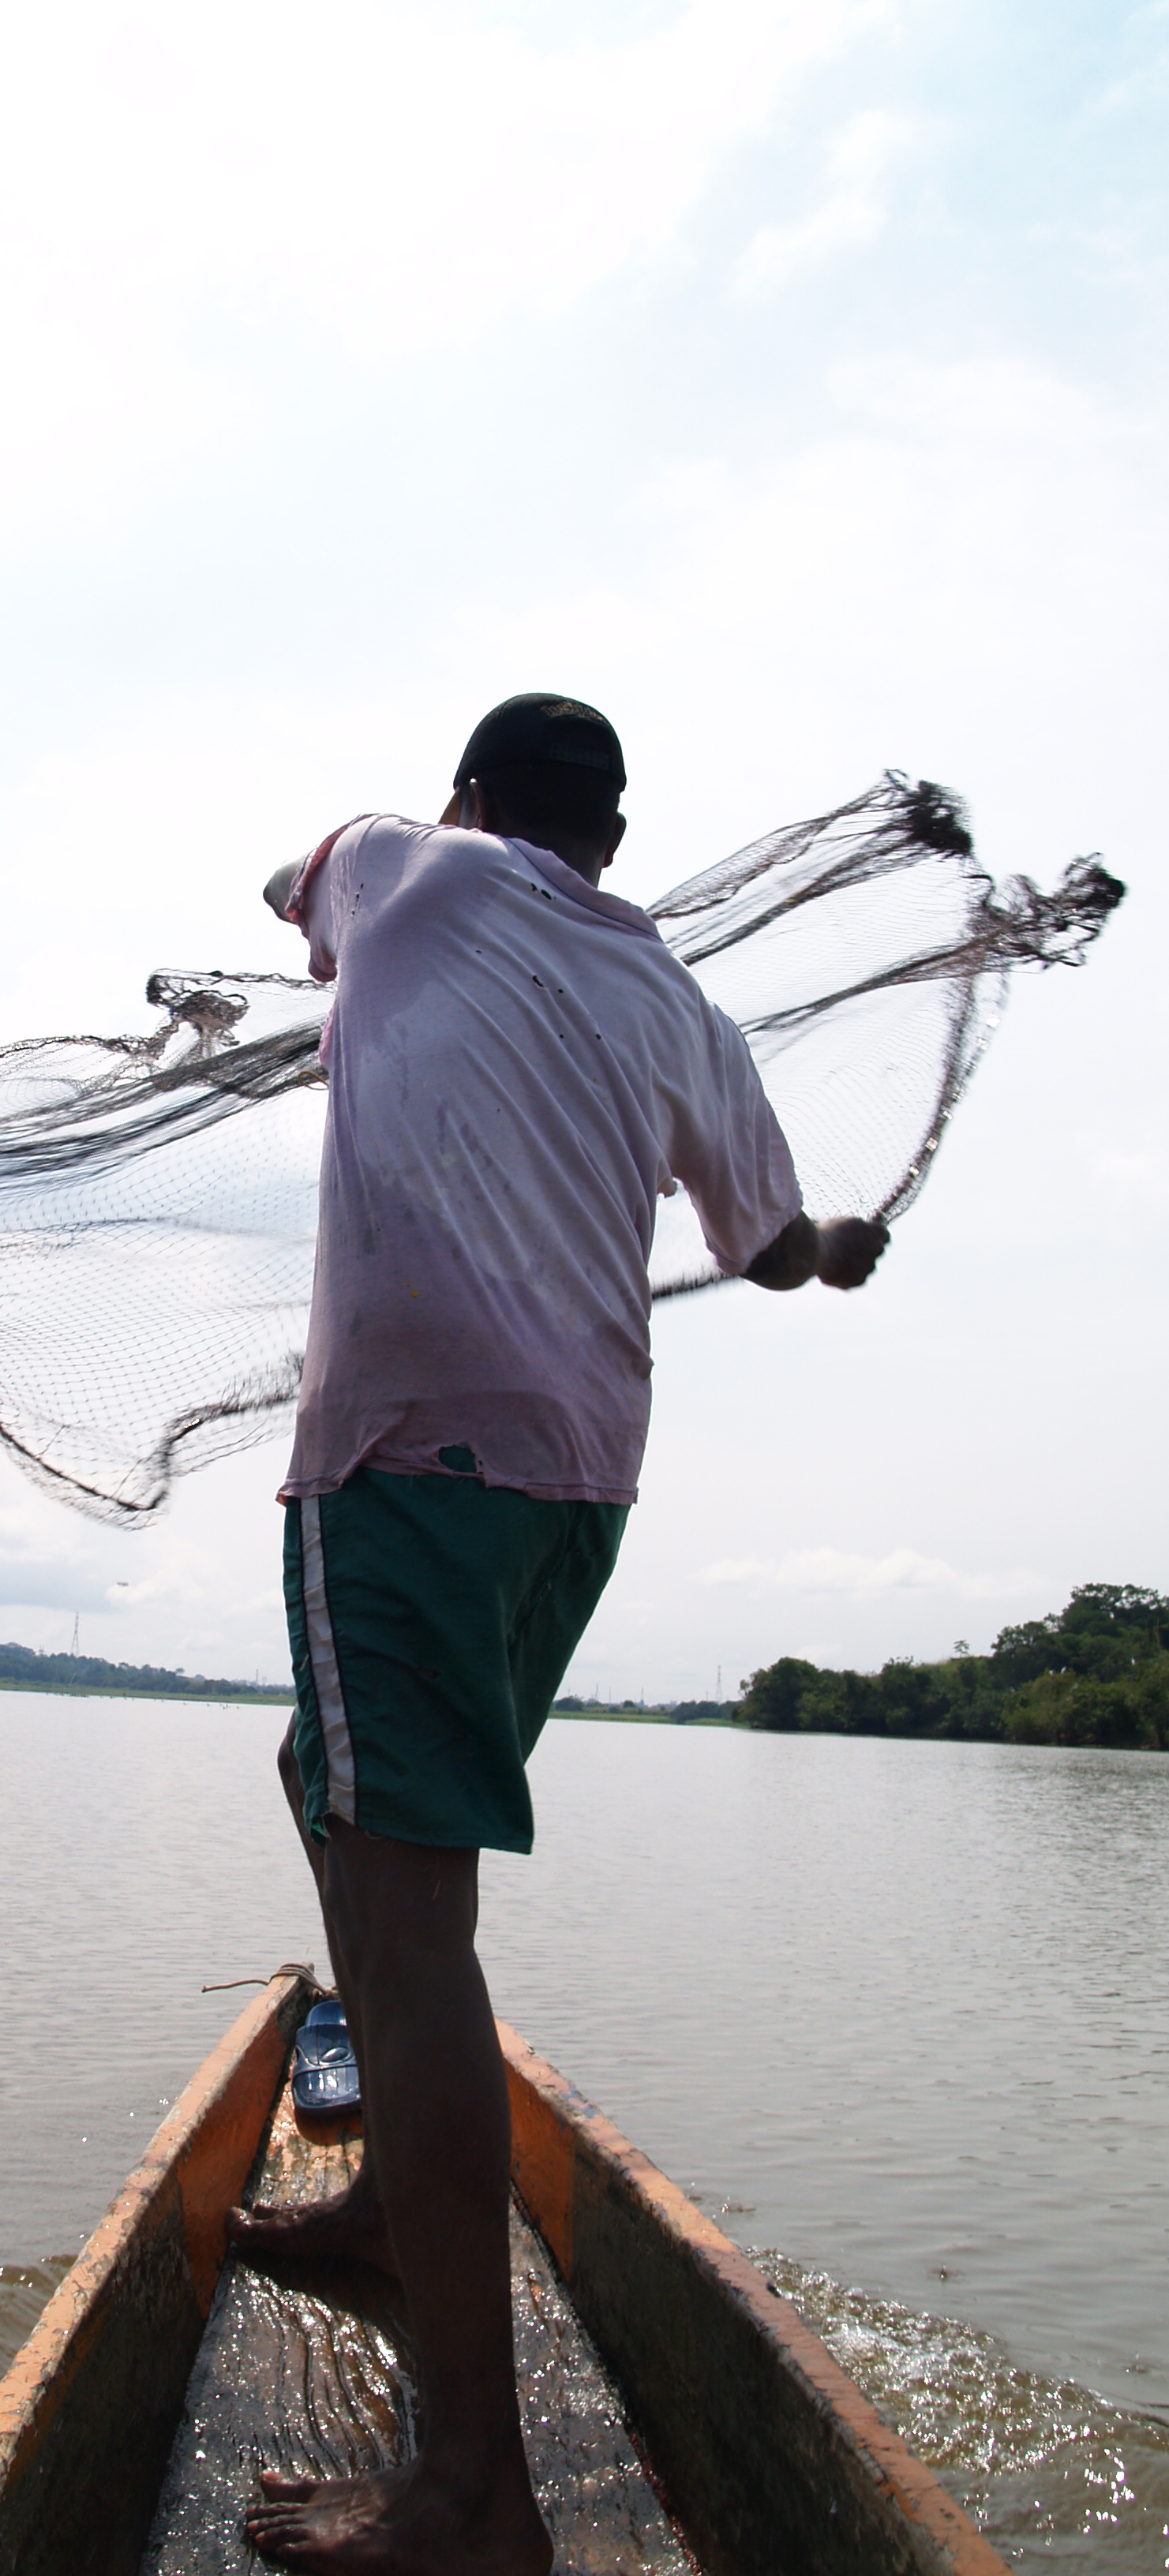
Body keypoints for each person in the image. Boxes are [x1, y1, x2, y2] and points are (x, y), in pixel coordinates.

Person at [232, 694, 886, 2576]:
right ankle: (380, 2218)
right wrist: (833, 1249)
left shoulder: (397, 864)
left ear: (475, 799)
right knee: (341, 1795)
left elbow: (291, 883)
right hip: (577, 1481)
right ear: (610, 838)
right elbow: (768, 1244)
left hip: (410, 1460)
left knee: (414, 1942)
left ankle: (474, 2497)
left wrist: (334, 933)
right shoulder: (681, 1002)